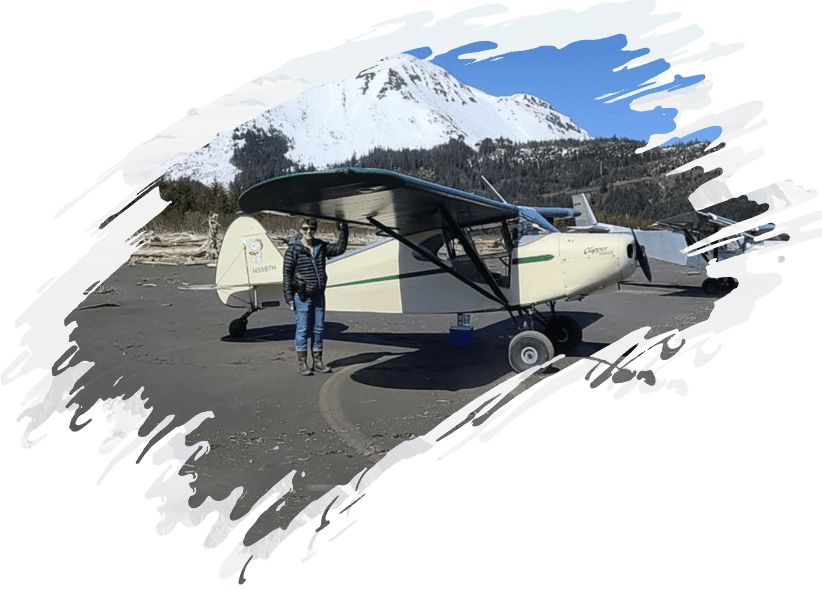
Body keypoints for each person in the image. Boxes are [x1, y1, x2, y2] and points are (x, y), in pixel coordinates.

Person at [282, 217, 349, 376]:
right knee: (303, 329)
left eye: (312, 229)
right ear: (300, 230)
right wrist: (289, 297)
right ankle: (302, 363)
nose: (308, 232)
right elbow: (287, 275)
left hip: (319, 295)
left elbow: (339, 249)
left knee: (318, 329)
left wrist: (343, 230)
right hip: (302, 296)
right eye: (305, 229)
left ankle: (318, 361)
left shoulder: (321, 246)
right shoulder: (293, 250)